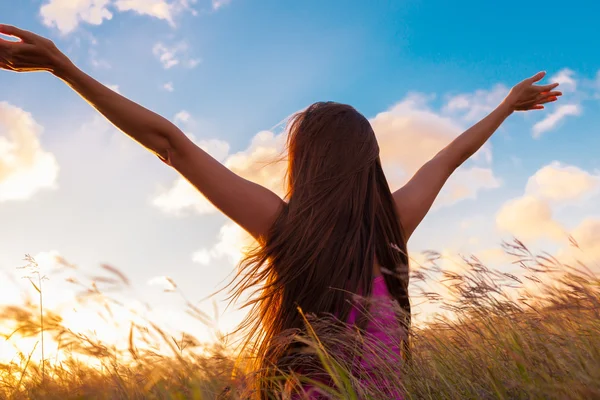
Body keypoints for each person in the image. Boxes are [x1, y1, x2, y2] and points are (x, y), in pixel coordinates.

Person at [0, 25, 561, 399]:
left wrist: (65, 70)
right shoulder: (391, 227)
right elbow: (450, 157)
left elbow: (168, 141)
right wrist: (506, 106)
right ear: (371, 162)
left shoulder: (288, 228)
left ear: (305, 162)